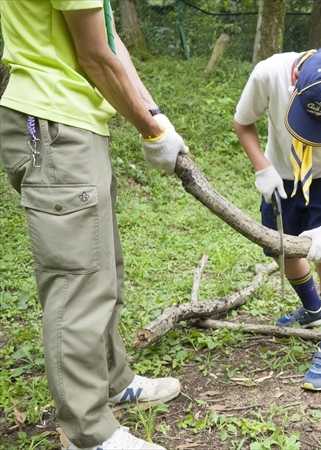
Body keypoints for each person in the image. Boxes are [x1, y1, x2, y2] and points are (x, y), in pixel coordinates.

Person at [0, 2, 188, 449]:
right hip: (53, 124)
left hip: (72, 122)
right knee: (77, 280)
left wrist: (153, 113)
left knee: (102, 266)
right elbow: (94, 57)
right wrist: (149, 129)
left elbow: (107, 37)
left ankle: (112, 382)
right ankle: (87, 434)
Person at [233, 46, 321, 390]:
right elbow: (243, 121)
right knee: (281, 249)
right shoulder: (270, 73)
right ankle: (313, 308)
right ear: (296, 83)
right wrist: (262, 168)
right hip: (279, 172)